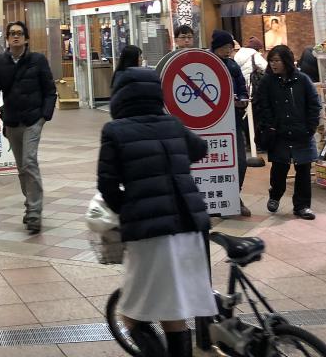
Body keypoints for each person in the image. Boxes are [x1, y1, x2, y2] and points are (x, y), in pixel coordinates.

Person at [98, 59, 216, 357]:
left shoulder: (115, 130)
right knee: (173, 315)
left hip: (150, 234)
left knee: (132, 315)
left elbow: (107, 185)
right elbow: (200, 149)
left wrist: (129, 208)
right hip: (189, 228)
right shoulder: (173, 124)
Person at [0, 21, 57, 233]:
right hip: (13, 120)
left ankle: (34, 211)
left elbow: (50, 90)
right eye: (12, 34)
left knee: (29, 161)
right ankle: (30, 203)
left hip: (34, 119)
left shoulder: (38, 60)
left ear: (26, 38)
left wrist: (45, 116)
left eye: (19, 33)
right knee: (22, 167)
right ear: (7, 38)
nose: (15, 37)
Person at [253, 45, 321, 219]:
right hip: (278, 134)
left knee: (304, 170)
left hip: (302, 133)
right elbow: (261, 105)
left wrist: (310, 127)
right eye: (271, 61)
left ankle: (302, 206)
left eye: (277, 60)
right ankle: (275, 195)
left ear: (287, 61)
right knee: (279, 169)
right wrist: (269, 126)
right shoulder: (267, 81)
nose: (273, 64)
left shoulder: (303, 80)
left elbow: (314, 104)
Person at [210, 30, 251, 216]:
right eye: (224, 47)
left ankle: (235, 196)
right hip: (212, 125)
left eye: (230, 47)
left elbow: (242, 88)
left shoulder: (233, 66)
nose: (228, 51)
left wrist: (242, 99)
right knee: (215, 164)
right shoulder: (207, 63)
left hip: (233, 120)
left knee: (240, 162)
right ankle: (215, 200)